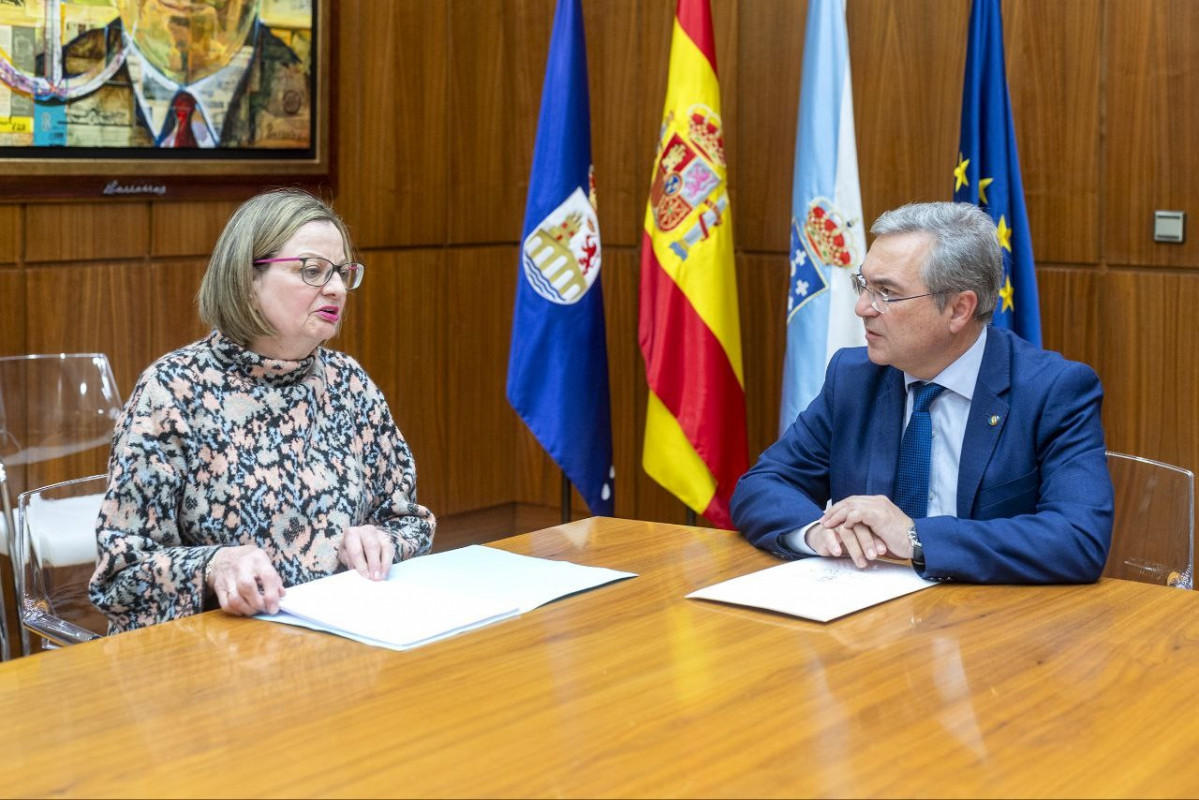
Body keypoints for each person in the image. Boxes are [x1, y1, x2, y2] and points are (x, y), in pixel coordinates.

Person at [90, 189, 435, 632]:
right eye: (312, 270)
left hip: (345, 643)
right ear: (247, 280)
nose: (334, 288)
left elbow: (407, 521)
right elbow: (121, 578)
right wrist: (215, 566)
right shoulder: (173, 390)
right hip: (216, 658)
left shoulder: (349, 382)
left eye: (342, 273)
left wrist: (378, 539)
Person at [731, 201, 1113, 584]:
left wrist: (916, 538)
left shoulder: (1052, 390)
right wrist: (819, 533)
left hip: (993, 624)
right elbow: (763, 485)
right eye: (864, 286)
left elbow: (1078, 538)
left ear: (959, 310)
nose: (862, 308)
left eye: (886, 292)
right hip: (869, 617)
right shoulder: (854, 377)